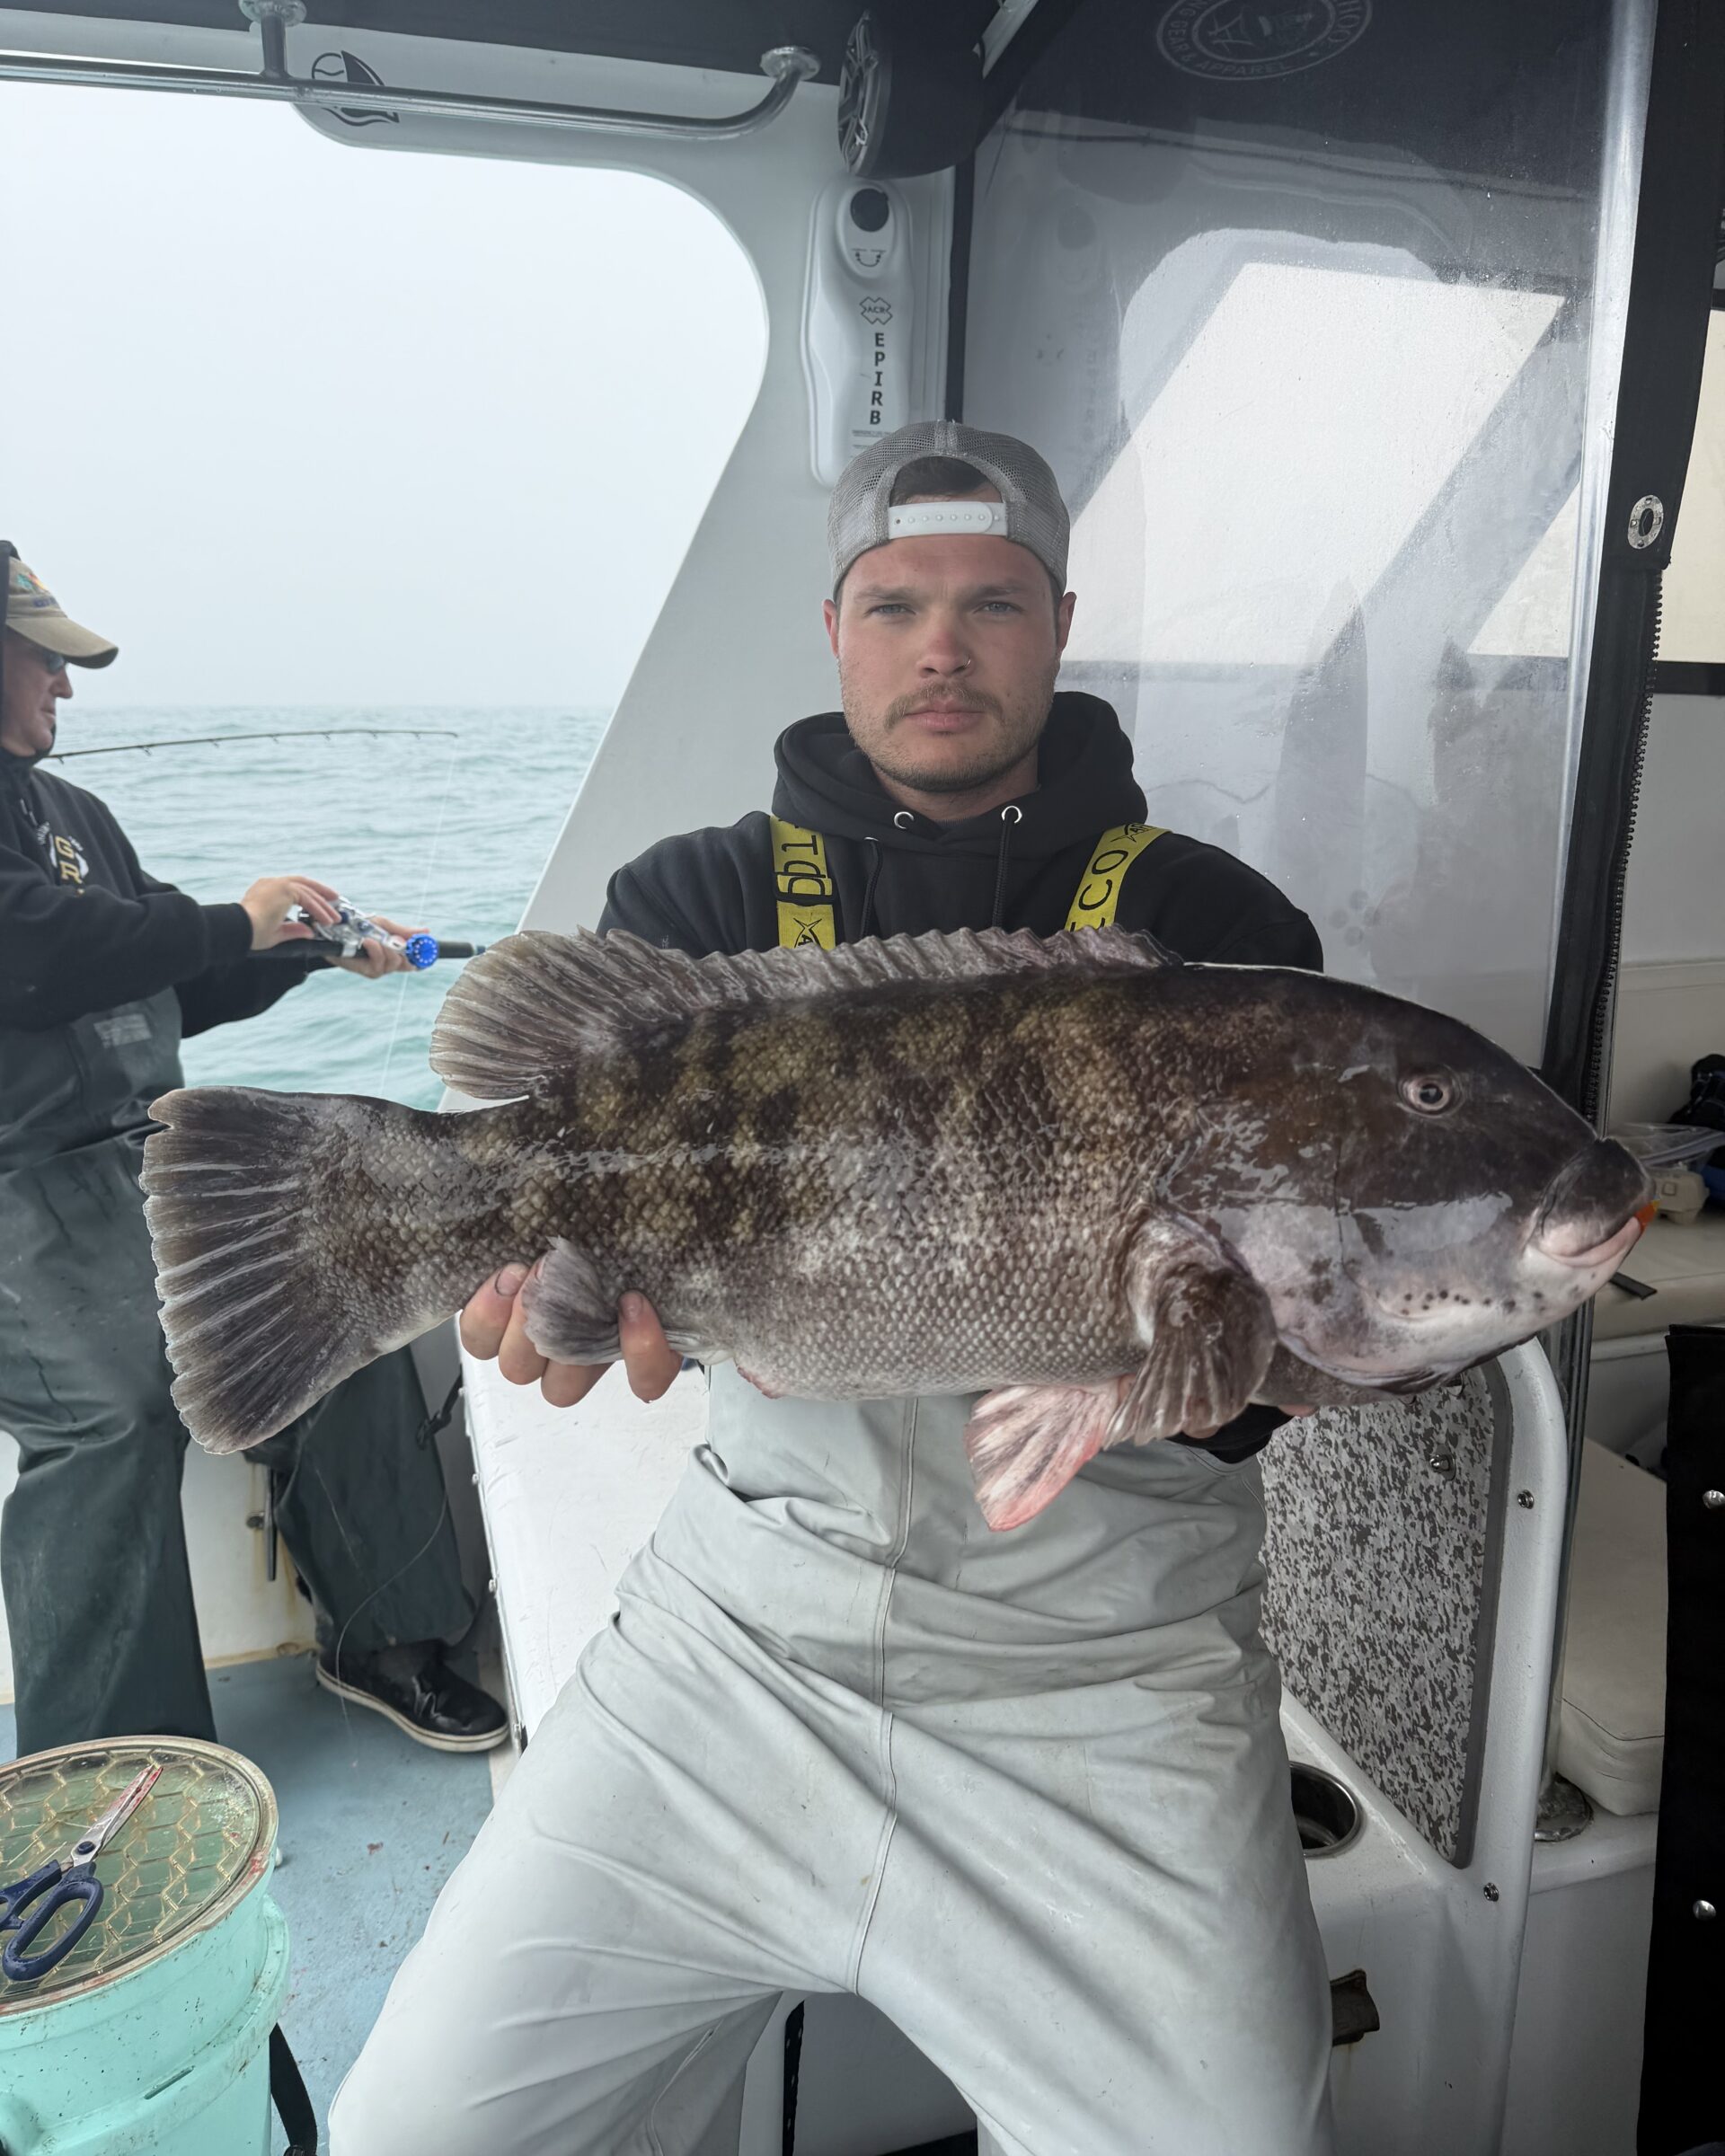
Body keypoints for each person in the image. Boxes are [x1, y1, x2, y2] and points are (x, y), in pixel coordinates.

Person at [332, 424, 1334, 2155]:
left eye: (992, 604)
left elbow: (1251, 1401)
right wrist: (538, 1313)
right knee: (414, 2129)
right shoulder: (699, 900)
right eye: (894, 605)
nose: (942, 647)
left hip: (1109, 1680)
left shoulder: (1214, 928)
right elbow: (570, 1249)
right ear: (834, 632)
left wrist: (1257, 1343)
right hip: (741, 1642)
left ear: (1060, 625)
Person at [0, 547, 506, 1755]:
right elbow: (41, 955)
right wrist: (239, 916)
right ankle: (114, 1761)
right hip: (19, 1191)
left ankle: (383, 1637)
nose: (64, 686)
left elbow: (173, 974)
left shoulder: (75, 817)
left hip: (145, 1164)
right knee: (115, 1417)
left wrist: (307, 951)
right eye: (44, 661)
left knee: (342, 1296)